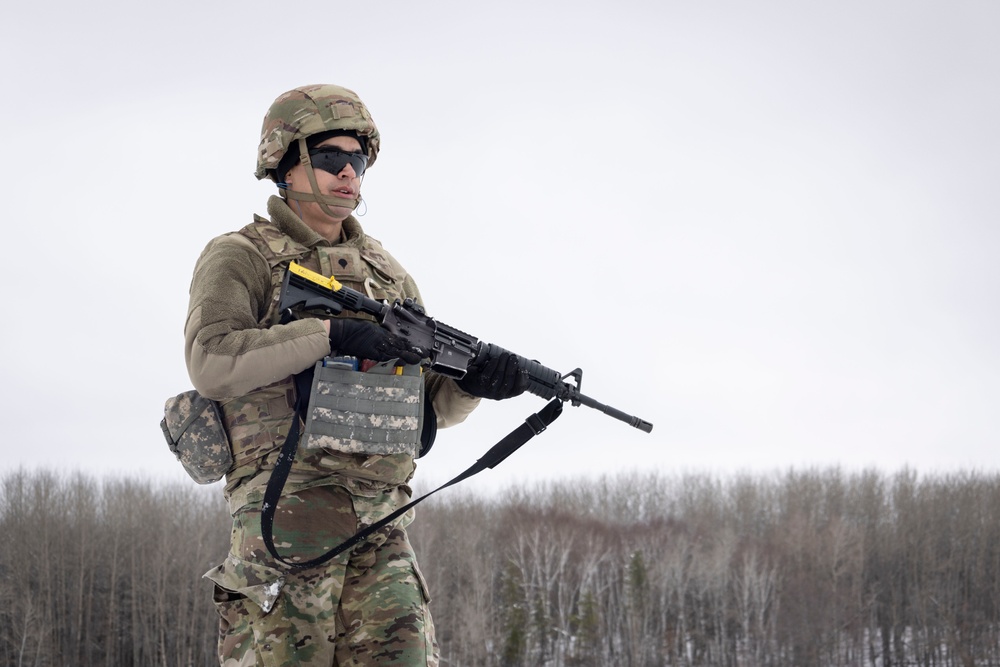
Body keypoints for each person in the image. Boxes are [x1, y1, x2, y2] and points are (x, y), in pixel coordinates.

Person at [185, 84, 527, 667]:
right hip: (284, 513)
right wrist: (330, 335)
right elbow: (211, 360)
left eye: (358, 161)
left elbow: (428, 409)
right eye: (329, 159)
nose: (348, 173)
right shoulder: (240, 255)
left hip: (381, 519)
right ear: (284, 164)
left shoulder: (388, 277)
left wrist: (474, 383)